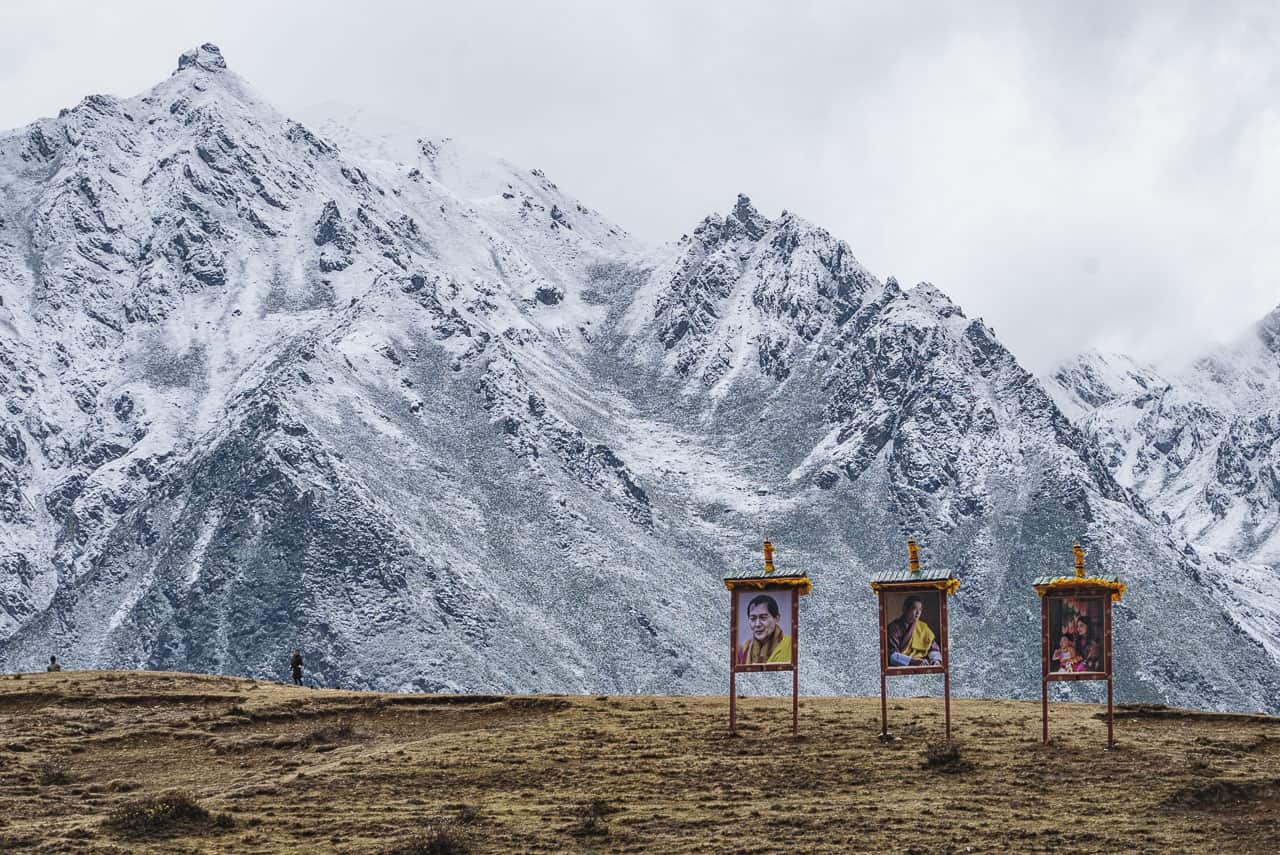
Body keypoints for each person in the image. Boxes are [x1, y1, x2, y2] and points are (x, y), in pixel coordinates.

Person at [886, 596, 942, 667]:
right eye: (914, 608)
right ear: (905, 609)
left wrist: (935, 660)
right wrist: (913, 661)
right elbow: (892, 656)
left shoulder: (923, 627)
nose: (918, 613)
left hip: (923, 664)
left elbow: (933, 648)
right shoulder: (893, 627)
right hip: (902, 665)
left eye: (920, 610)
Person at [737, 594, 792, 664]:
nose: (757, 624)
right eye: (753, 618)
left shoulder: (791, 645)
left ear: (776, 619)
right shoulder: (744, 649)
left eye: (763, 617)